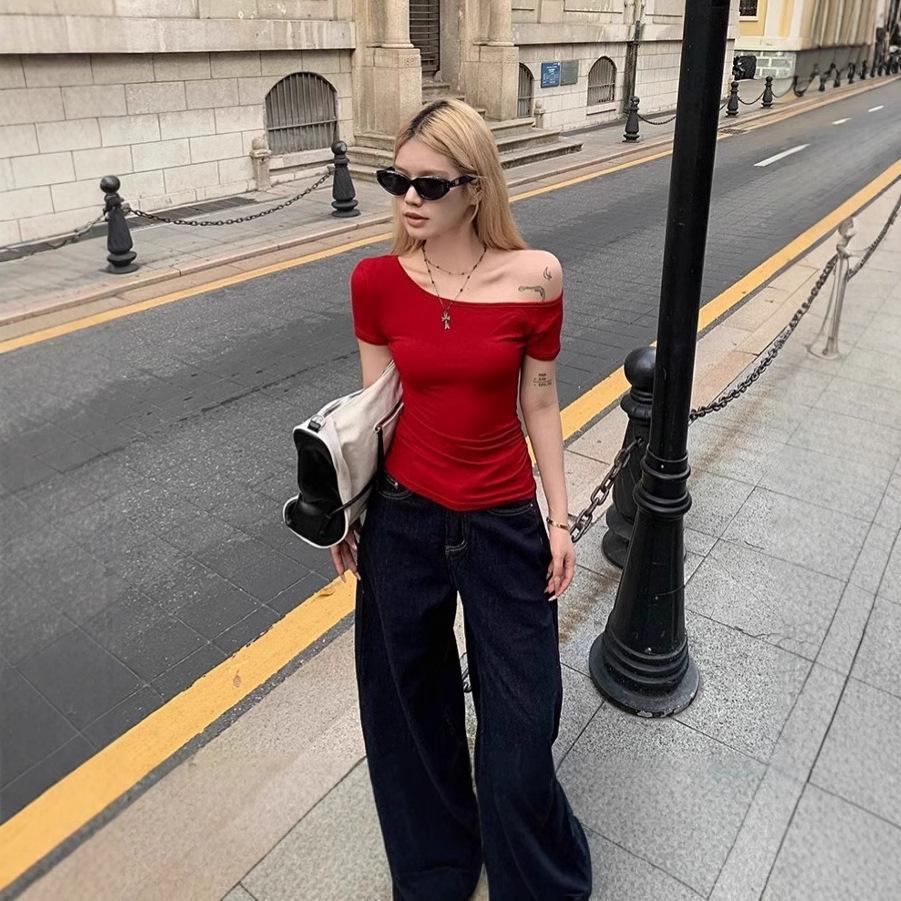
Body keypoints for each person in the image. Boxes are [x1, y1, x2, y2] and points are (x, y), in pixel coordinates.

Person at [330, 98, 592, 900]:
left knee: (523, 722)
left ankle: (535, 878)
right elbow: (374, 411)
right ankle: (437, 867)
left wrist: (557, 517)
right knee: (407, 705)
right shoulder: (375, 281)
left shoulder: (536, 277)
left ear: (475, 187)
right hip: (402, 517)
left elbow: (539, 399)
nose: (408, 199)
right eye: (396, 181)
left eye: (430, 184)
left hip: (502, 519)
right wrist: (349, 512)